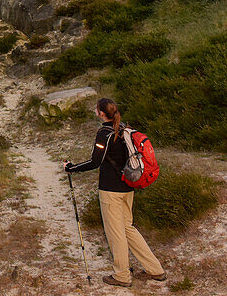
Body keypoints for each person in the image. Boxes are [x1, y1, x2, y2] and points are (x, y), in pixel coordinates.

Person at [64, 98, 166, 288]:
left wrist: (72, 168)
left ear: (101, 113)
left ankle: (122, 275)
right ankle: (155, 269)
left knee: (115, 232)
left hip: (111, 190)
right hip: (128, 186)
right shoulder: (125, 128)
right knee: (128, 228)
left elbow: (96, 161)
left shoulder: (104, 133)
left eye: (97, 108)